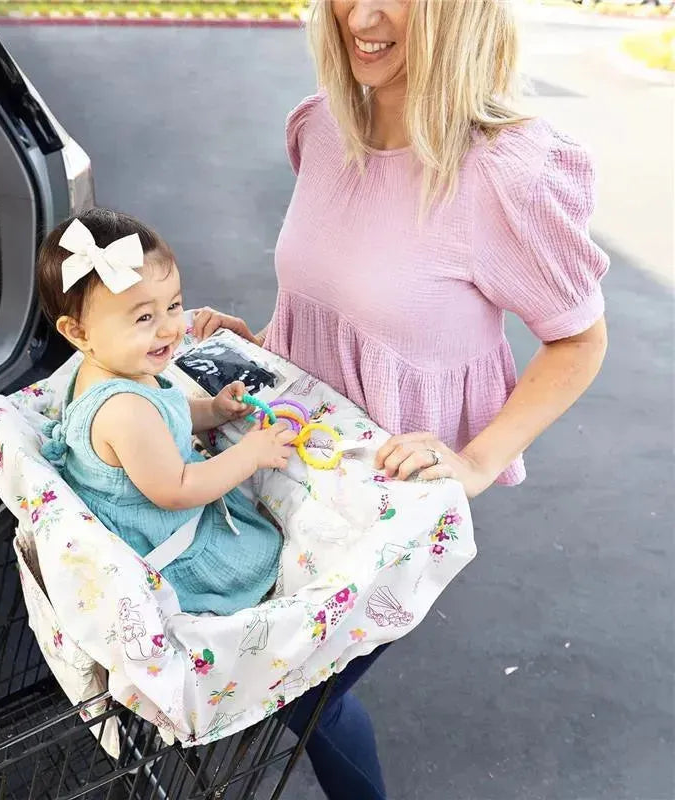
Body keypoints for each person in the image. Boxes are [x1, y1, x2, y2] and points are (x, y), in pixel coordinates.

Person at [192, 1, 609, 797]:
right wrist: (259, 349)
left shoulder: (506, 172)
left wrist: (476, 461)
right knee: (271, 679)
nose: (363, 13)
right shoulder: (319, 128)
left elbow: (580, 340)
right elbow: (337, 297)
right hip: (282, 471)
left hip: (384, 513)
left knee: (305, 694)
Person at [35, 208, 294, 616]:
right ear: (79, 332)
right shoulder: (123, 409)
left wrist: (213, 410)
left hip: (158, 507)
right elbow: (178, 489)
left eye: (173, 305)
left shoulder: (114, 369)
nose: (170, 328)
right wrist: (250, 454)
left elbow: (165, 418)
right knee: (269, 553)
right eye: (144, 317)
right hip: (173, 545)